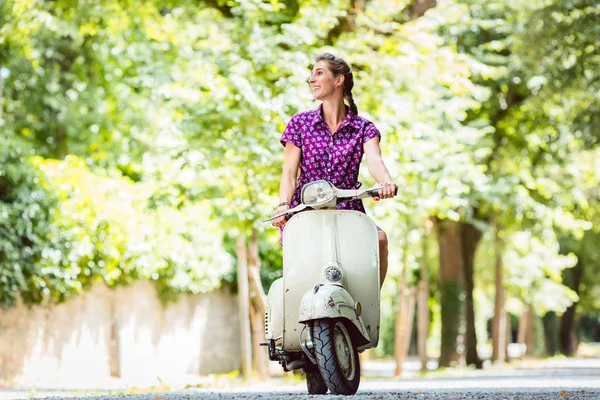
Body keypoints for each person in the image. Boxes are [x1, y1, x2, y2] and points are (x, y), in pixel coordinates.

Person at [271, 52, 397, 286]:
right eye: (311, 74)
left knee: (379, 240)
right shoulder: (299, 123)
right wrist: (283, 205)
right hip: (306, 210)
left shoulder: (363, 128)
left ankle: (369, 311)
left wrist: (386, 182)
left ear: (338, 80)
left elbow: (375, 162)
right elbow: (289, 172)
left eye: (319, 73)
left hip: (348, 210)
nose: (312, 79)